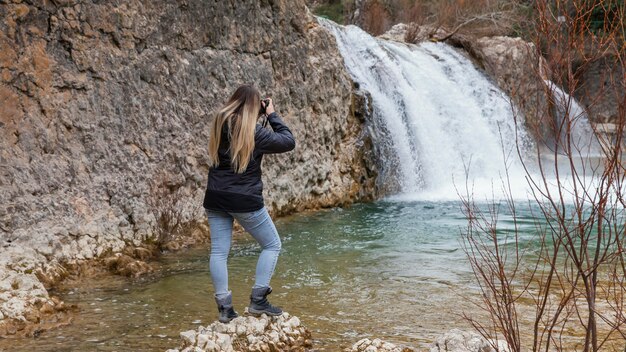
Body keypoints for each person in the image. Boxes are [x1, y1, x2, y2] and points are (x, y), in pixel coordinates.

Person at [203, 84, 296, 323]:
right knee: (272, 244)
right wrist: (272, 114)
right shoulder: (254, 131)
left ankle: (225, 309)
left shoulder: (219, 121)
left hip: (215, 195)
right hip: (244, 199)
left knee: (219, 252)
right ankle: (258, 301)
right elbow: (288, 141)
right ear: (255, 107)